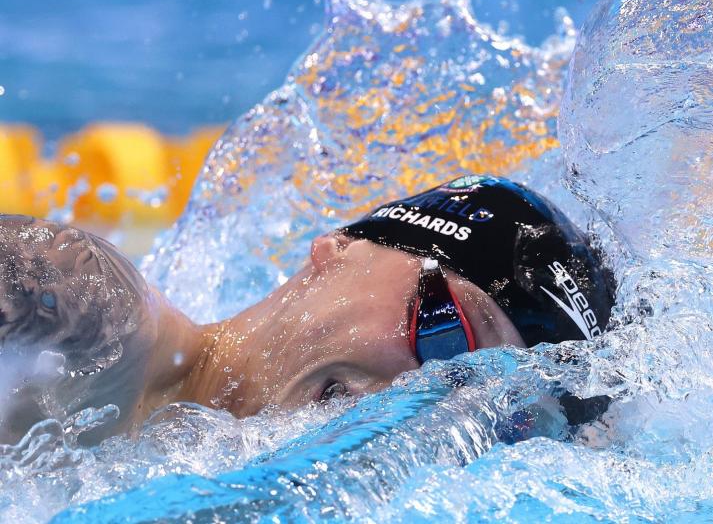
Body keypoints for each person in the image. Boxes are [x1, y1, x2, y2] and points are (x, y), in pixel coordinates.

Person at [0, 174, 614, 444]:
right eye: (447, 334)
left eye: (498, 415)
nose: (427, 397)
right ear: (337, 251)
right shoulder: (94, 325)